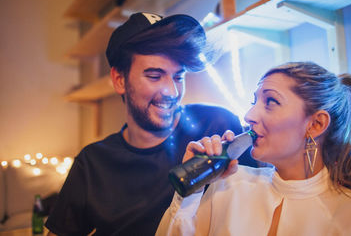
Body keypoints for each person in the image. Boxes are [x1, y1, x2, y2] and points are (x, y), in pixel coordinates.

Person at [45, 12, 256, 236]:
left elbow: (261, 209)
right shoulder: (93, 163)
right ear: (119, 80)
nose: (172, 92)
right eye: (155, 76)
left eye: (178, 77)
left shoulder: (218, 125)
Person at [156, 61, 351, 235]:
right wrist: (192, 188)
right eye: (254, 102)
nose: (249, 115)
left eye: (271, 102)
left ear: (316, 124)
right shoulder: (229, 184)